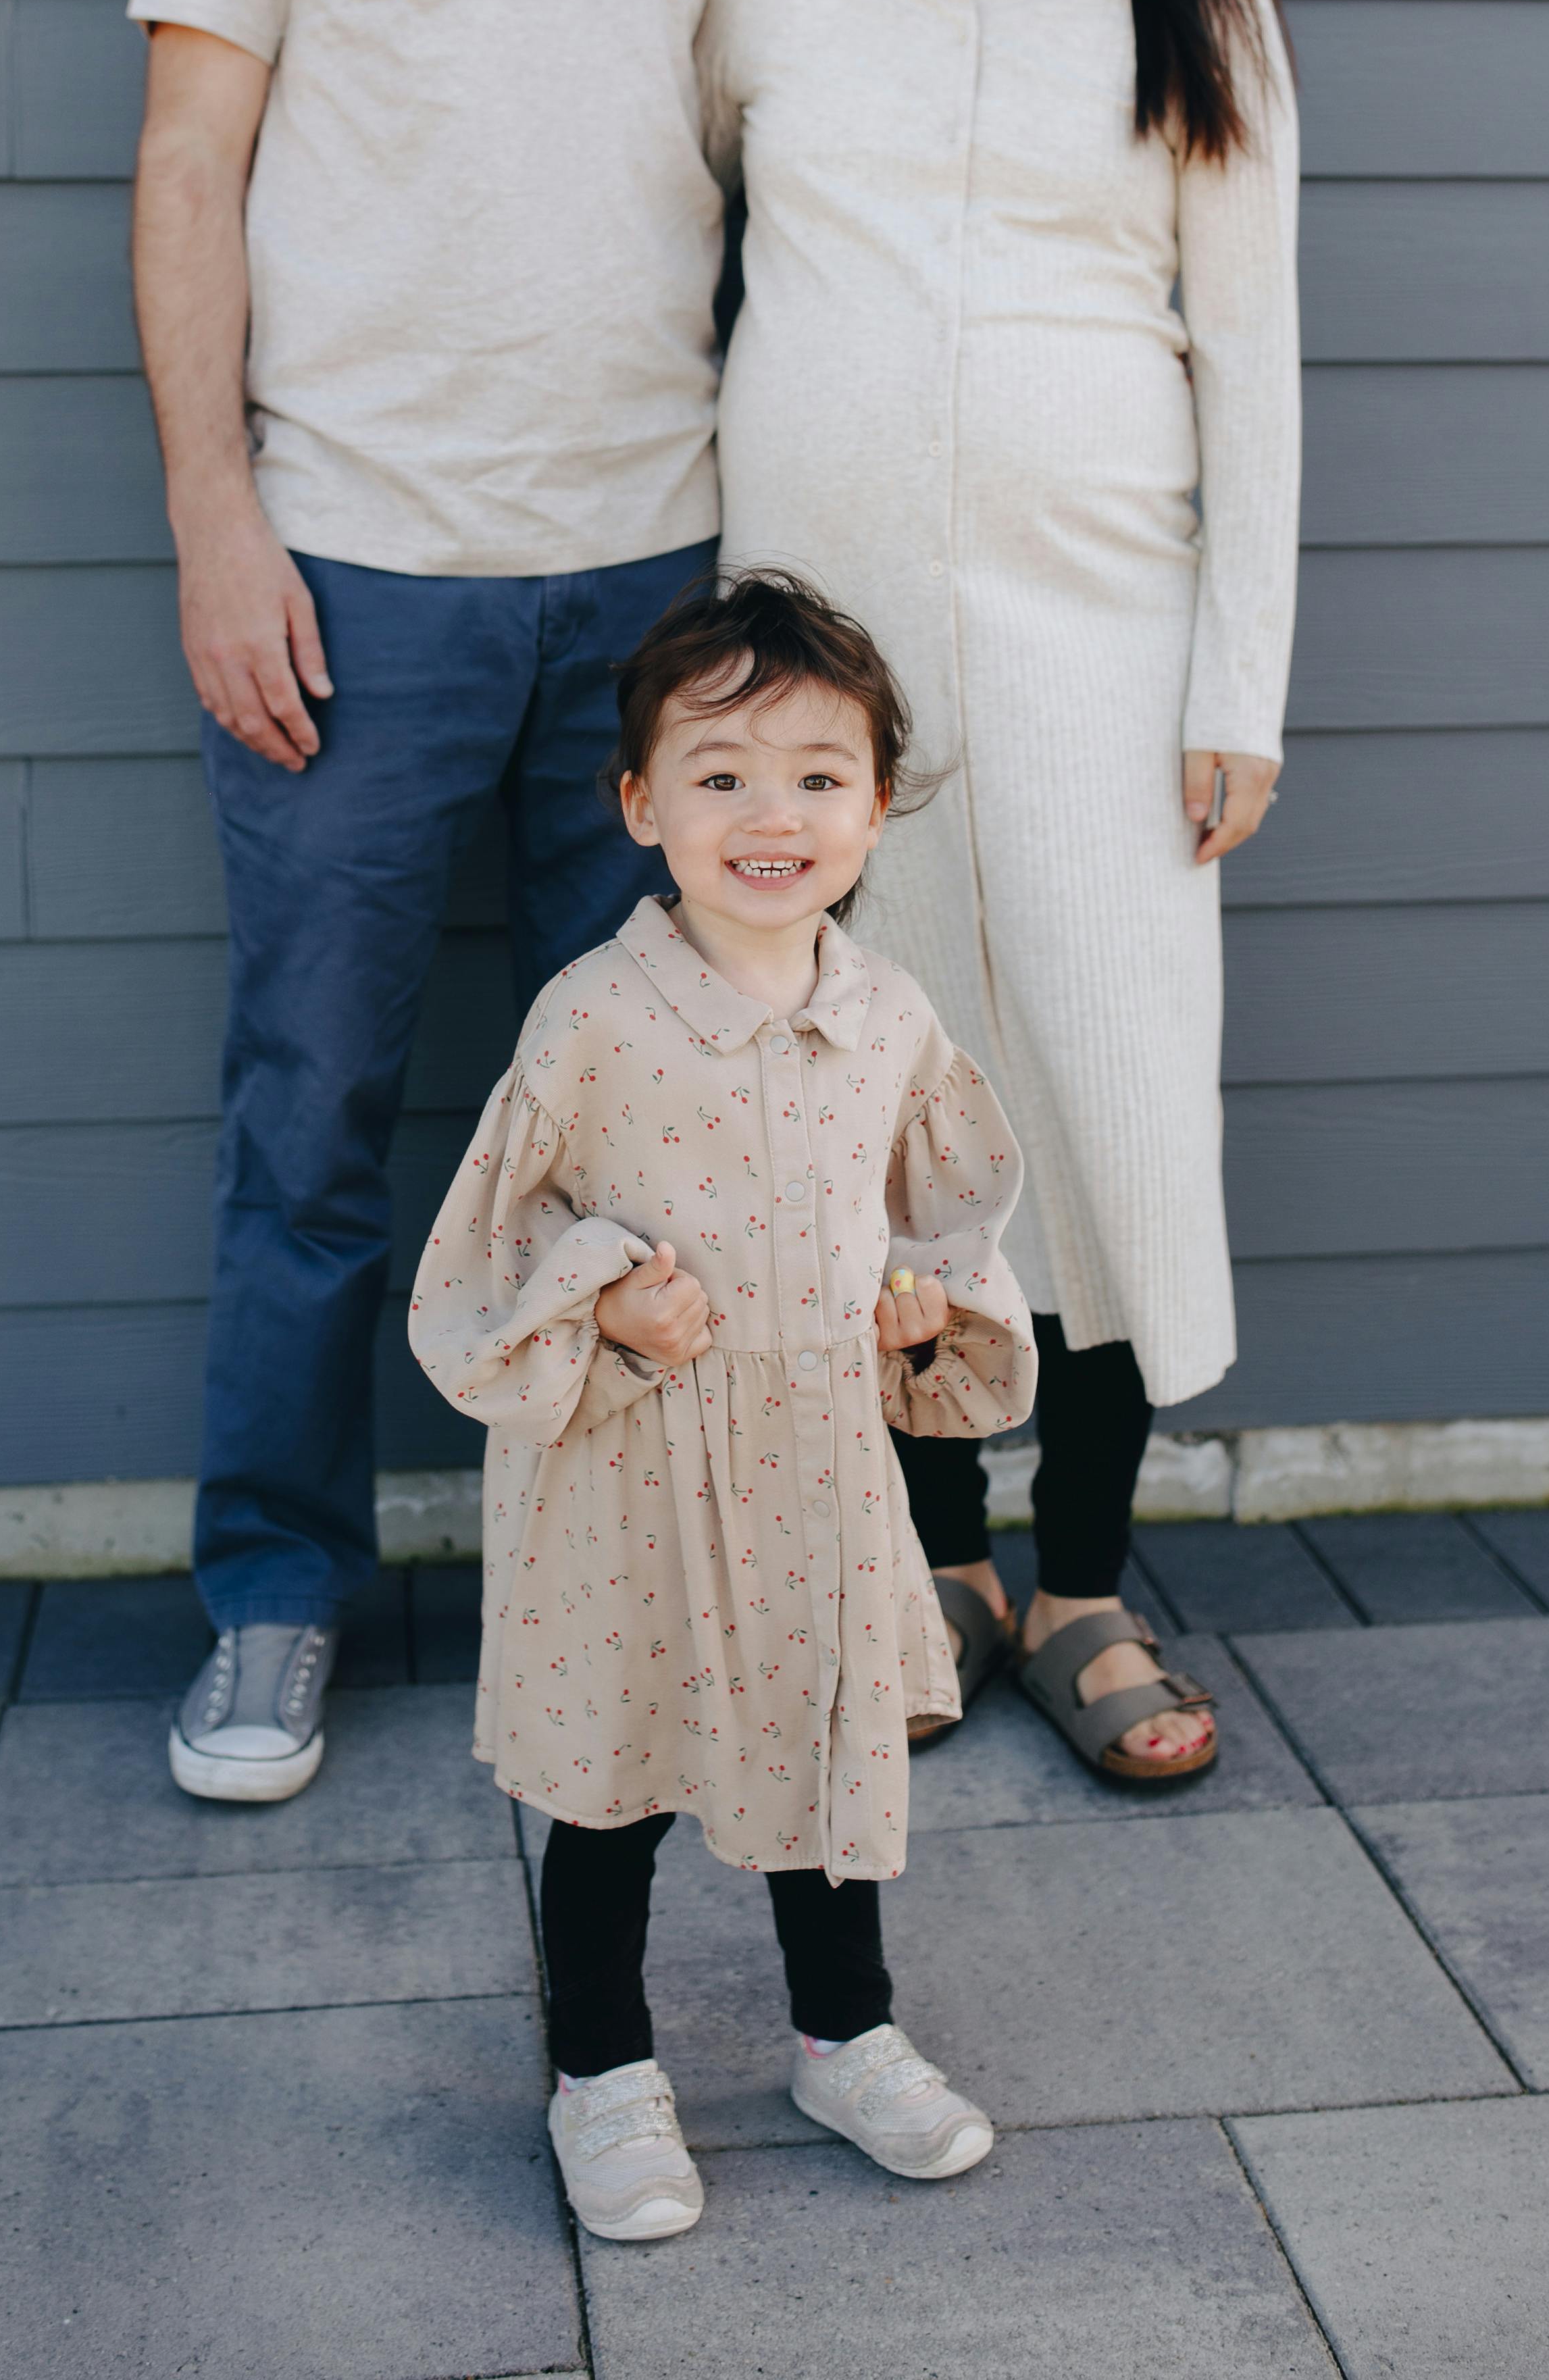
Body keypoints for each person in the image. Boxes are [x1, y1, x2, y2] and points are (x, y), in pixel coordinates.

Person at [128, 0, 785, 1803]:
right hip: (356, 569)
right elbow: (191, 157)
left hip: (652, 585)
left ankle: (608, 1601)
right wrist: (217, 508)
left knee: (638, 1128)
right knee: (312, 1113)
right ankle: (274, 1594)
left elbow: (763, 189)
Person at [705, 0, 1300, 1786]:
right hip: (812, 697)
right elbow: (691, 243)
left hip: (1099, 653)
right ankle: (934, 1565)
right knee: (872, 1113)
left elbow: (1247, 358)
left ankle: (1078, 1585)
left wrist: (1228, 685)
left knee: (1100, 1108)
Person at [411, 572, 1034, 2242]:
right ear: (640, 802)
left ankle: (846, 2034)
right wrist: (606, 1295)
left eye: (820, 776)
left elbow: (940, 1211)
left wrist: (923, 1309)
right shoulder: (595, 1019)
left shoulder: (886, 1015)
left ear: (877, 803)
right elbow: (489, 1249)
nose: (776, 815)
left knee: (821, 1759)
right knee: (613, 1779)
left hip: (814, 1462)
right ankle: (600, 2071)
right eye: (723, 773)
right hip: (631, 1463)